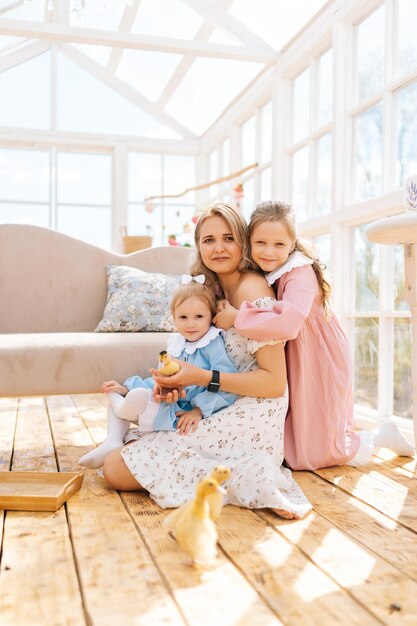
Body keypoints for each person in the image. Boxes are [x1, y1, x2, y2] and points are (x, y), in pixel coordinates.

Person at [101, 202, 312, 520]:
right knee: (124, 452)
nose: (219, 248)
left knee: (115, 468)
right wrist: (177, 389)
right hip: (218, 401)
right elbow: (204, 360)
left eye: (229, 238)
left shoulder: (252, 291)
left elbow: (273, 383)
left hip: (254, 411)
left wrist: (202, 377)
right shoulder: (210, 291)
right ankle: (228, 475)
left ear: (243, 242)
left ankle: (252, 476)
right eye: (209, 240)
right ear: (198, 246)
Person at [214, 200, 415, 470]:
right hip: (300, 351)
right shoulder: (266, 272)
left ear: (292, 243)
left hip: (319, 354)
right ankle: (375, 437)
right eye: (261, 243)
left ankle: (378, 438)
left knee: (313, 446)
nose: (269, 252)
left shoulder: (299, 272)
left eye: (279, 245)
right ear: (250, 242)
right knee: (302, 429)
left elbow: (289, 322)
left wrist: (237, 318)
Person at [79, 277, 238, 469]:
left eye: (199, 317)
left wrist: (198, 411)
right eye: (183, 317)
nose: (191, 324)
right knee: (119, 397)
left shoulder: (212, 343)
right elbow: (160, 378)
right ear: (173, 317)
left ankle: (127, 405)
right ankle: (113, 440)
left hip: (180, 410)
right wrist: (127, 387)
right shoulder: (177, 343)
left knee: (128, 404)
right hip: (167, 399)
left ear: (211, 316)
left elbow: (227, 383)